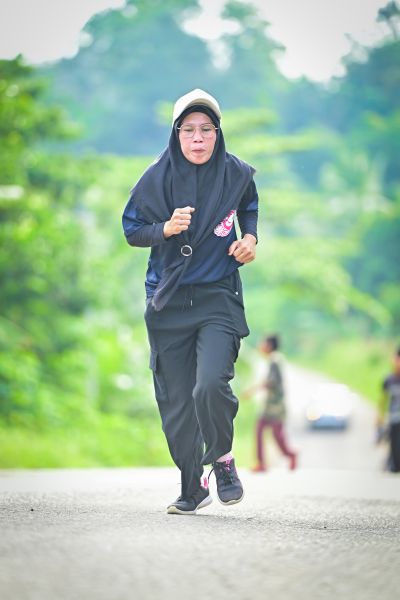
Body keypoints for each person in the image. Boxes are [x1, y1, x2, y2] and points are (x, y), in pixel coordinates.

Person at [122, 89, 258, 514]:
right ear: (176, 134)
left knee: (209, 385)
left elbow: (249, 205)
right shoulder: (155, 178)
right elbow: (131, 230)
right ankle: (192, 488)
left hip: (218, 297)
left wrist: (250, 238)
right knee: (177, 404)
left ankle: (222, 460)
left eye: (206, 130)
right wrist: (164, 229)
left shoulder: (236, 173)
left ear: (218, 133)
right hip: (169, 301)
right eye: (188, 130)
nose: (198, 138)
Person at [245, 334, 297, 472]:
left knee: (275, 435)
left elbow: (271, 382)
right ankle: (265, 461)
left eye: (263, 343)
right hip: (272, 406)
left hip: (275, 407)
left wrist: (252, 390)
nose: (260, 346)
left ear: (269, 345)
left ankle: (290, 455)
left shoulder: (274, 360)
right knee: (266, 432)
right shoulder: (274, 359)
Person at [378, 346, 400, 472]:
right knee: (394, 445)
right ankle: (393, 464)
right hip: (393, 419)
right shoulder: (389, 380)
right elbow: (383, 400)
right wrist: (379, 418)